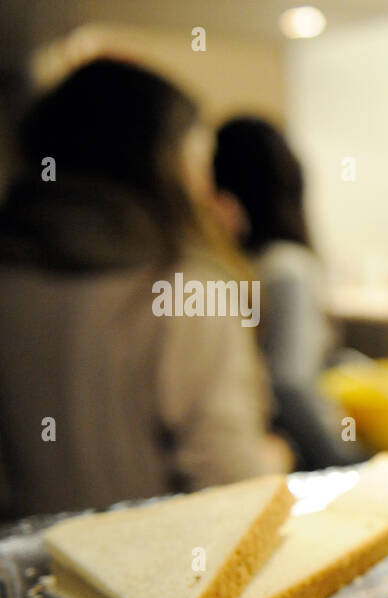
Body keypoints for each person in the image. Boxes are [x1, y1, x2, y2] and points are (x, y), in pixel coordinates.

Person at [0, 58, 284, 519]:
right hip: (165, 580)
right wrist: (272, 458)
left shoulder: (12, 277)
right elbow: (233, 490)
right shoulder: (187, 291)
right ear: (163, 165)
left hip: (32, 575)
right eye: (198, 162)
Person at [213, 117, 360, 470]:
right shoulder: (288, 268)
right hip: (295, 456)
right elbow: (290, 385)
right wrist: (344, 463)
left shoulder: (236, 264)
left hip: (260, 448)